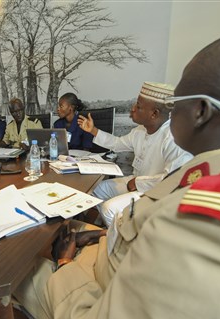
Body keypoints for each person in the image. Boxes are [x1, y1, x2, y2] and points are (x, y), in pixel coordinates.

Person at [14, 26, 220, 319]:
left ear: (200, 110)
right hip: (112, 256)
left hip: (98, 296)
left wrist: (65, 265)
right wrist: (103, 236)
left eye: (178, 101)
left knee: (15, 265)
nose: (171, 112)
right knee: (62, 225)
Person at [78, 82, 193, 227]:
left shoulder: (174, 138)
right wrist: (93, 130)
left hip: (156, 193)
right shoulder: (140, 131)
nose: (132, 109)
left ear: (154, 113)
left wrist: (139, 182)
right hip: (135, 182)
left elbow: (174, 179)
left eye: (138, 106)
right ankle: (109, 230)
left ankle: (124, 243)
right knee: (97, 190)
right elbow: (117, 143)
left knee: (109, 209)